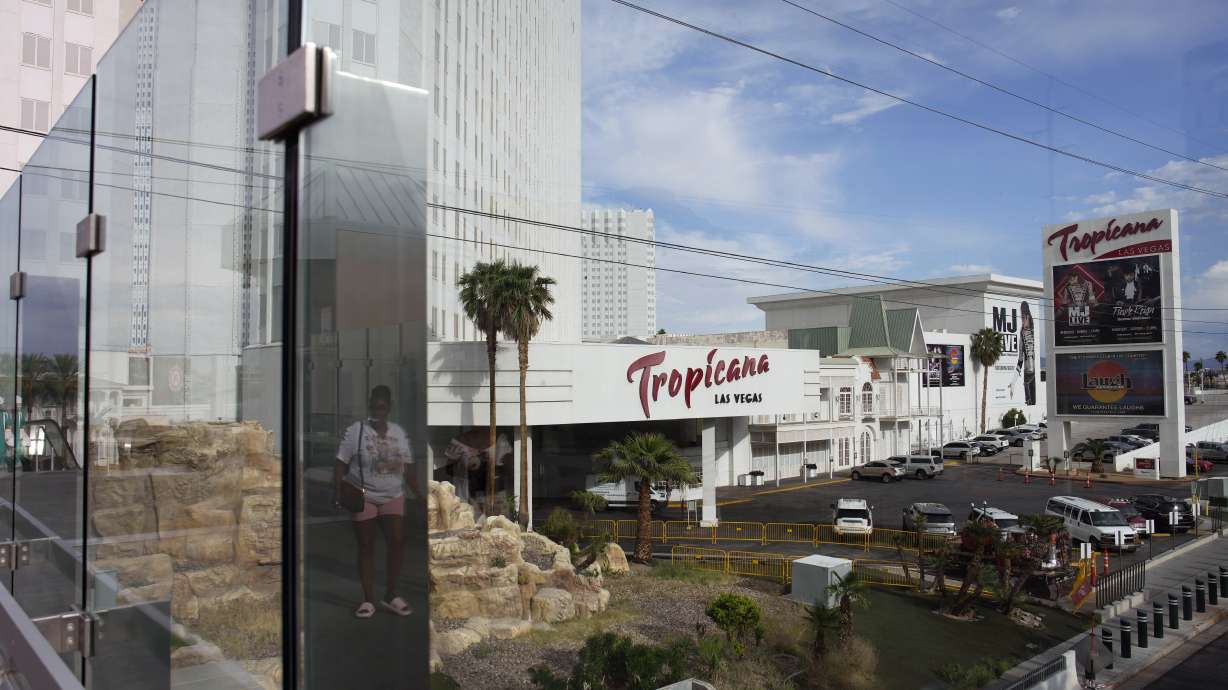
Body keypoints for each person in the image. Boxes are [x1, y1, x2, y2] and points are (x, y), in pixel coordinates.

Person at [333, 385, 417, 619]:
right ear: (370, 406)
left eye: (382, 407)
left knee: (398, 542)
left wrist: (419, 494)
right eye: (374, 406)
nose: (378, 411)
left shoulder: (398, 433)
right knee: (366, 546)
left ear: (389, 408)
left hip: (393, 495)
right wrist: (338, 490)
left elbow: (408, 466)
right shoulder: (356, 431)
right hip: (364, 496)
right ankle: (368, 599)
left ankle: (391, 594)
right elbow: (341, 462)